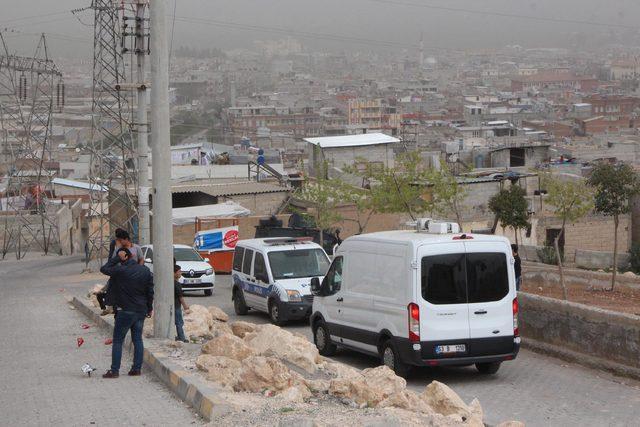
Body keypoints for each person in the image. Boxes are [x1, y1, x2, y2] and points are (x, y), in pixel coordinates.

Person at [100, 247, 154, 378]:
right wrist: (149, 308)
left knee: (118, 340)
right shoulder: (145, 270)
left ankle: (114, 371)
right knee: (137, 340)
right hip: (141, 310)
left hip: (125, 311)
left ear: (124, 257)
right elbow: (150, 292)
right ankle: (136, 369)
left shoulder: (120, 270)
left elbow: (104, 269)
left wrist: (117, 258)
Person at [173, 265, 190, 343]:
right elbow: (181, 297)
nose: (181, 273)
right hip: (176, 306)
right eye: (179, 271)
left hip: (172, 306)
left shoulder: (171, 283)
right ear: (174, 273)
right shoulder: (177, 284)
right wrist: (186, 307)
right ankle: (182, 338)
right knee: (179, 322)